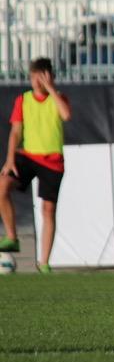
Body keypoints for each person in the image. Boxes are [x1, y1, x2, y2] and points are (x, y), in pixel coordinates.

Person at [0, 58, 72, 274]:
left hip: (52, 161)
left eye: (40, 77)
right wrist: (10, 159)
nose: (35, 82)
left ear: (49, 77)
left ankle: (44, 263)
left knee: (48, 210)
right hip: (29, 156)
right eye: (33, 77)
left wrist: (51, 89)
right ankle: (12, 236)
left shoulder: (58, 98)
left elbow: (66, 115)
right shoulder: (23, 100)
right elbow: (16, 131)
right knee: (2, 185)